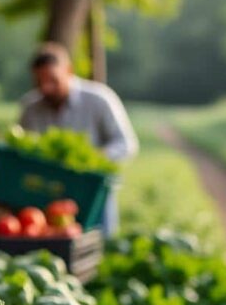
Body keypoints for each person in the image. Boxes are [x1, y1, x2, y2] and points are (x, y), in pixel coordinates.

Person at [17, 42, 138, 236]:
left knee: (99, 248)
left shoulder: (99, 99)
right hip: (48, 198)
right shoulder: (30, 108)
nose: (46, 88)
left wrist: (95, 158)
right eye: (40, 83)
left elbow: (126, 143)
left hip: (93, 193)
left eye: (53, 80)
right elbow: (25, 150)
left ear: (69, 70)